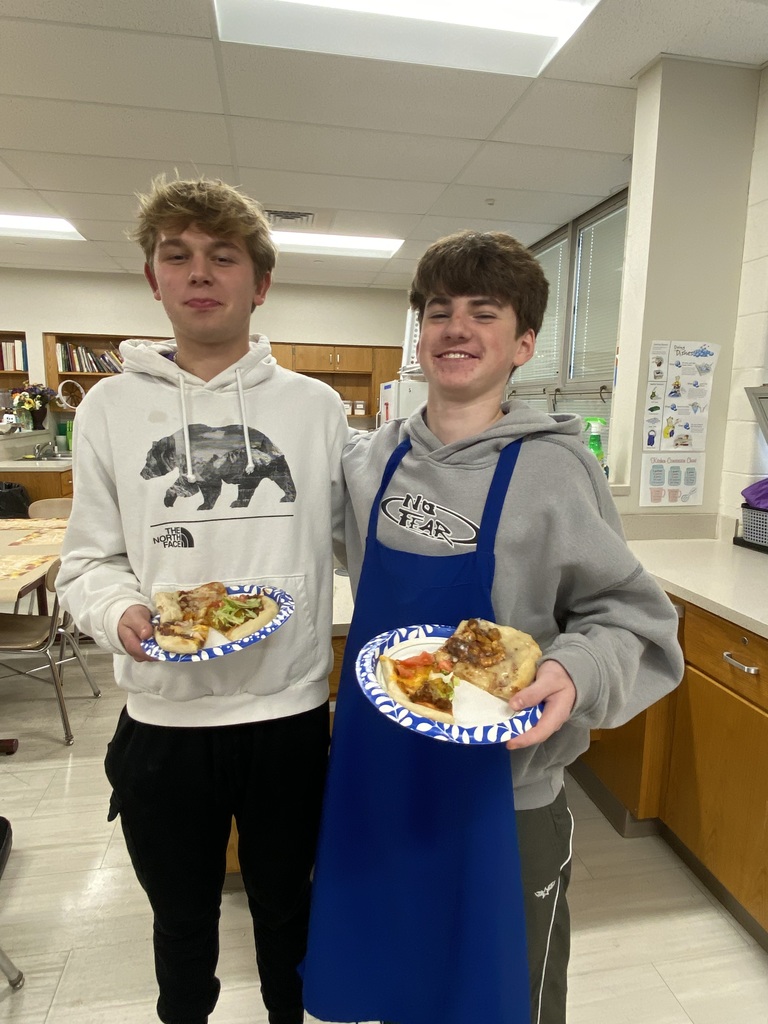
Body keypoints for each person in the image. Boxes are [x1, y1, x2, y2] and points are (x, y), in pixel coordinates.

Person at [301, 230, 684, 1024]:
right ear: (419, 336)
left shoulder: (555, 470)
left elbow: (633, 618)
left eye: (485, 312)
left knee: (505, 995)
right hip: (382, 780)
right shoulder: (368, 463)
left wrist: (575, 670)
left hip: (508, 795)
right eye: (438, 312)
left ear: (525, 343)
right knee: (403, 976)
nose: (456, 329)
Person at [57, 176, 348, 1024]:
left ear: (259, 282)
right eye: (177, 256)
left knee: (288, 913)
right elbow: (89, 561)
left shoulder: (317, 409)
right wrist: (119, 612)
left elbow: (361, 542)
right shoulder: (107, 409)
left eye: (223, 257)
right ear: (153, 279)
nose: (200, 272)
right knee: (181, 924)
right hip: (165, 723)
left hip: (288, 715)